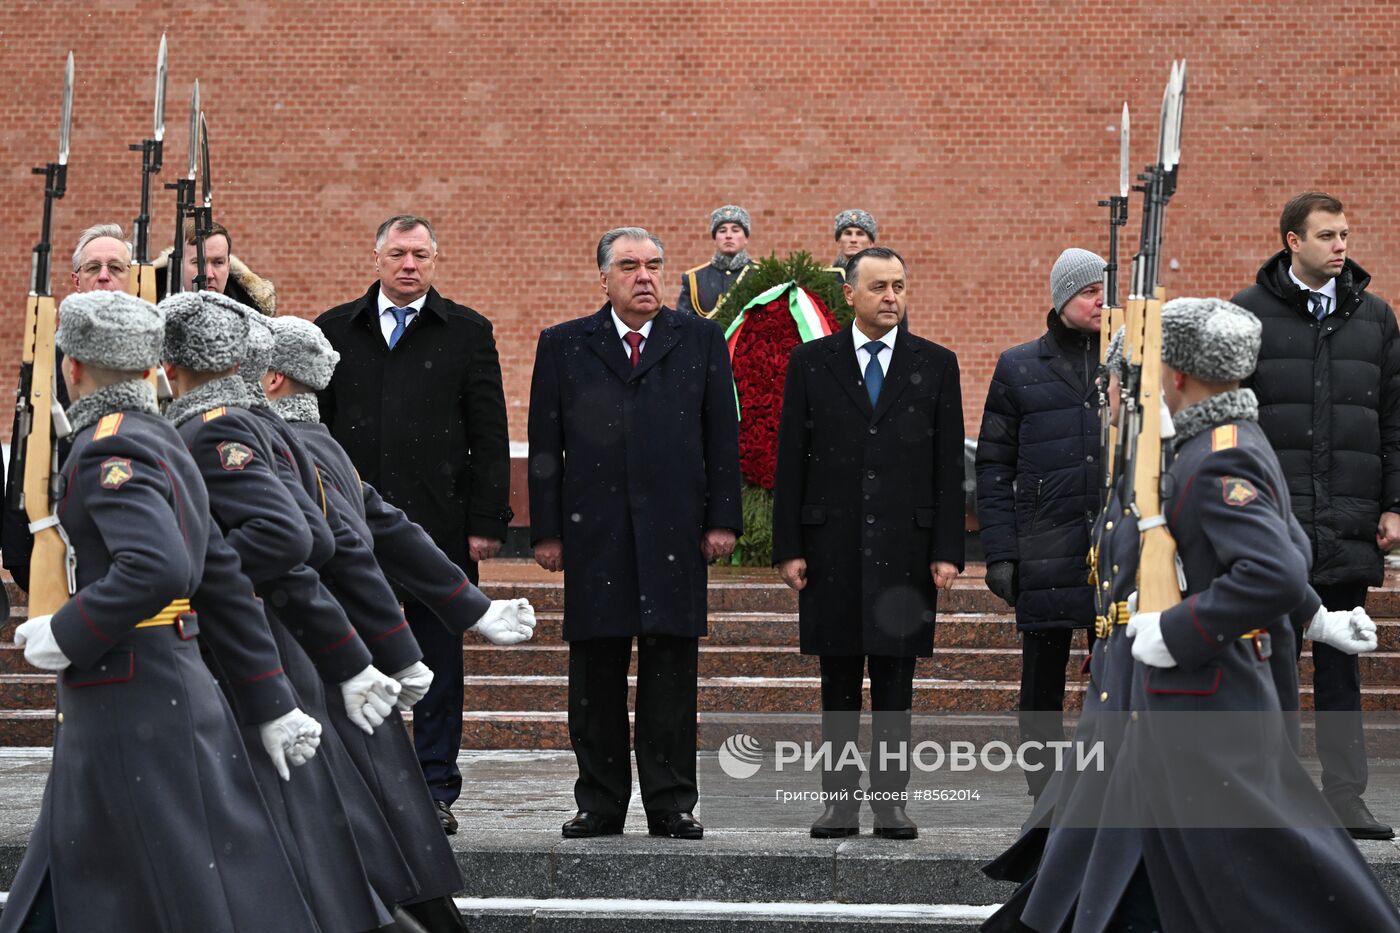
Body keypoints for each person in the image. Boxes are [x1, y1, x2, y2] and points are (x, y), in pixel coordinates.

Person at [1071, 296, 1399, 933]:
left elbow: (1275, 566)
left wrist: (1177, 627)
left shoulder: (1217, 453)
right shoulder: (1207, 444)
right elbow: (1285, 550)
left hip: (1205, 694)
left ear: (1179, 374)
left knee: (1256, 876)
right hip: (1175, 696)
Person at [0, 289, 321, 933]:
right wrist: (270, 696)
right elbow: (220, 571)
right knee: (79, 874)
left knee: (167, 887)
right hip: (161, 686)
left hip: (129, 695)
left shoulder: (107, 446)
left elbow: (160, 567)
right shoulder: (161, 435)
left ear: (72, 369)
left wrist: (68, 631)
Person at [528, 226, 742, 840]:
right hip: (594, 534)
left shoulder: (699, 340)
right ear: (604, 278)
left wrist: (722, 518)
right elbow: (546, 445)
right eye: (629, 266)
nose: (643, 276)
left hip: (676, 530)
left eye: (653, 265)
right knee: (594, 677)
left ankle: (671, 802)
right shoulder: (565, 344)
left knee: (671, 673)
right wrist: (546, 531)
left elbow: (719, 437)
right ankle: (599, 803)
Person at [317, 213, 513, 835]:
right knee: (351, 654)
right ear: (375, 257)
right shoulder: (332, 331)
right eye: (399, 253)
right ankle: (361, 781)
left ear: (435, 261)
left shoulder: (466, 333)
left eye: (421, 255)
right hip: (349, 528)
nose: (410, 265)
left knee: (436, 663)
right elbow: (309, 429)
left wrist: (487, 522)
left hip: (438, 531)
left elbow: (488, 431)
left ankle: (433, 788)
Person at [771, 246, 964, 839]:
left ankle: (890, 803)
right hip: (832, 549)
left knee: (895, 681)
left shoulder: (935, 364)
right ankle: (839, 804)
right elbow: (791, 462)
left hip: (906, 550)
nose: (891, 297)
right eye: (878, 286)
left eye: (899, 286)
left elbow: (947, 463)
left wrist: (947, 548)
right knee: (837, 682)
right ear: (849, 294)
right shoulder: (812, 363)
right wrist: (789, 546)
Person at [1232, 191, 1400, 840]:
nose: (1341, 245)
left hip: (1349, 516)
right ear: (1291, 241)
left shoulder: (1376, 319)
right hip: (1272, 523)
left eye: (1346, 234)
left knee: (1341, 663)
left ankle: (1346, 795)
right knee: (1270, 657)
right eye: (1327, 235)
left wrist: (1392, 504)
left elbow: (1392, 420)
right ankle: (1273, 791)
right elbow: (1231, 418)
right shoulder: (1248, 314)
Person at [975, 247, 1105, 800]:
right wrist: (1002, 552)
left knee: (1118, 678)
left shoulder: (1130, 363)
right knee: (1042, 680)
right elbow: (993, 465)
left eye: (1105, 289)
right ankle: (1043, 792)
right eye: (1088, 291)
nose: (1101, 300)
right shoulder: (1019, 366)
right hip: (1046, 543)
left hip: (1116, 546)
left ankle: (1110, 787)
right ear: (1061, 299)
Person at [3, 223, 131, 591]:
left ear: (131, 278)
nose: (104, 277)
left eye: (115, 268)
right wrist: (18, 551)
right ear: (77, 280)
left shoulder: (156, 356)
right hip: (64, 537)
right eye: (93, 268)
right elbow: (27, 447)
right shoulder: (49, 356)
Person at [156, 217, 278, 313]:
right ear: (179, 264)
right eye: (198, 263)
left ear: (228, 266)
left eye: (218, 263)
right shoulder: (151, 308)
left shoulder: (252, 316)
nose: (209, 275)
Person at [676, 204, 755, 316]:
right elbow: (684, 324)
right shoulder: (694, 279)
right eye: (722, 231)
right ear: (715, 239)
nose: (728, 235)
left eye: (735, 230)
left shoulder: (760, 274)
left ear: (746, 238)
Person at [827, 209, 877, 275]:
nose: (853, 240)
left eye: (860, 234)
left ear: (871, 243)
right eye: (848, 233)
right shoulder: (826, 277)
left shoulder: (881, 276)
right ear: (839, 242)